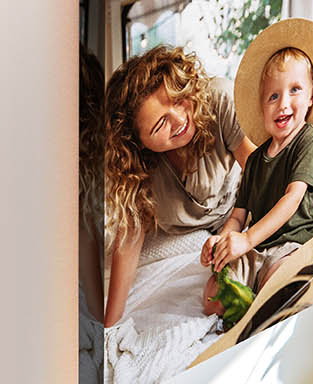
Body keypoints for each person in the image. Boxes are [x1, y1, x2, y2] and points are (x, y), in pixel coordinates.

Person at [103, 46, 258, 327]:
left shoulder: (219, 98)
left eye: (177, 100)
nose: (179, 119)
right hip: (185, 231)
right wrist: (108, 324)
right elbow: (128, 240)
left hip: (236, 212)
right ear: (138, 144)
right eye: (160, 123)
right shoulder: (134, 168)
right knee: (216, 303)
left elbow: (261, 173)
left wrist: (232, 234)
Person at [202, 20, 313, 310]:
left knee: (280, 286)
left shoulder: (308, 140)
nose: (283, 104)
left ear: (311, 98)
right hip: (256, 246)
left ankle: (265, 297)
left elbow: (292, 199)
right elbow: (238, 217)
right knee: (210, 299)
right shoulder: (254, 160)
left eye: (295, 90)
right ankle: (251, 295)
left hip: (293, 244)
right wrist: (223, 240)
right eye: (273, 96)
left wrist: (247, 239)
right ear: (262, 107)